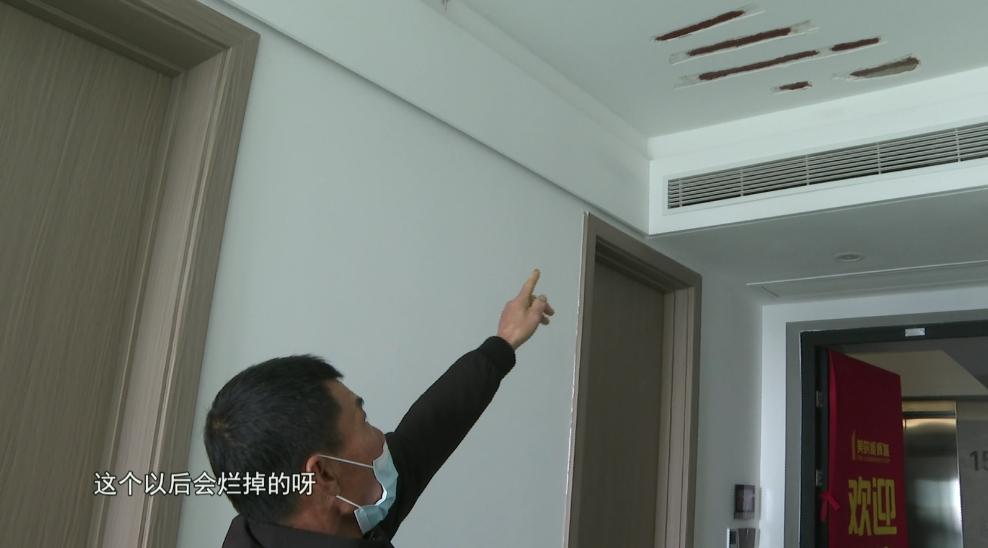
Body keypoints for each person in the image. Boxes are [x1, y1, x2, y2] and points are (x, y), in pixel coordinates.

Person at [205, 269, 555, 547]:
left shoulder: (304, 514)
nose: (381, 438)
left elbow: (428, 433)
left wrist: (502, 343)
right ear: (323, 474)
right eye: (364, 422)